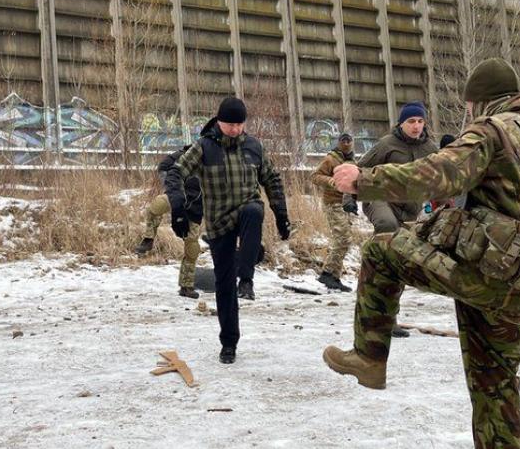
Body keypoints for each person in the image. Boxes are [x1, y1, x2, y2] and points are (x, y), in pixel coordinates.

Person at [322, 58, 520, 449]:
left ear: (479, 101)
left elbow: (437, 174)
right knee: (496, 389)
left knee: (382, 249)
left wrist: (363, 179)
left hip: (481, 272)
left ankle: (370, 357)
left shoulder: (491, 129)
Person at [165, 97, 289, 364]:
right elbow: (176, 172)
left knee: (255, 211)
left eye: (239, 124)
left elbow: (272, 179)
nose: (234, 129)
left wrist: (281, 215)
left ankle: (247, 279)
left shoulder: (254, 147)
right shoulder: (205, 147)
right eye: (229, 124)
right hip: (219, 222)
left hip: (247, 210)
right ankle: (229, 343)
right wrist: (177, 206)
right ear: (218, 122)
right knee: (223, 285)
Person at [134, 144, 204, 306]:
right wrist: (171, 186)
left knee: (192, 248)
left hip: (195, 208)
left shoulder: (216, 162)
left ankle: (186, 286)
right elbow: (164, 166)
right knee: (154, 208)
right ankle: (148, 239)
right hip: (176, 196)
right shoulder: (183, 154)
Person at [357, 101, 438, 234]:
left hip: (412, 206)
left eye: (420, 121)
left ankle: (375, 252)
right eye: (411, 121)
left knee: (411, 240)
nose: (416, 126)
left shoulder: (430, 148)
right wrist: (348, 198)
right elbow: (359, 169)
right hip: (380, 197)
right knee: (387, 225)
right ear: (401, 123)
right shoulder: (386, 144)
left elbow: (442, 175)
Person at [310, 133, 356, 291]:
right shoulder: (331, 159)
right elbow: (315, 176)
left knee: (344, 241)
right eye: (343, 141)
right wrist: (331, 181)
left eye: (349, 141)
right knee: (343, 239)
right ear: (338, 142)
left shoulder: (352, 160)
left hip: (347, 205)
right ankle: (328, 274)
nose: (346, 143)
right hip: (333, 203)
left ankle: (334, 278)